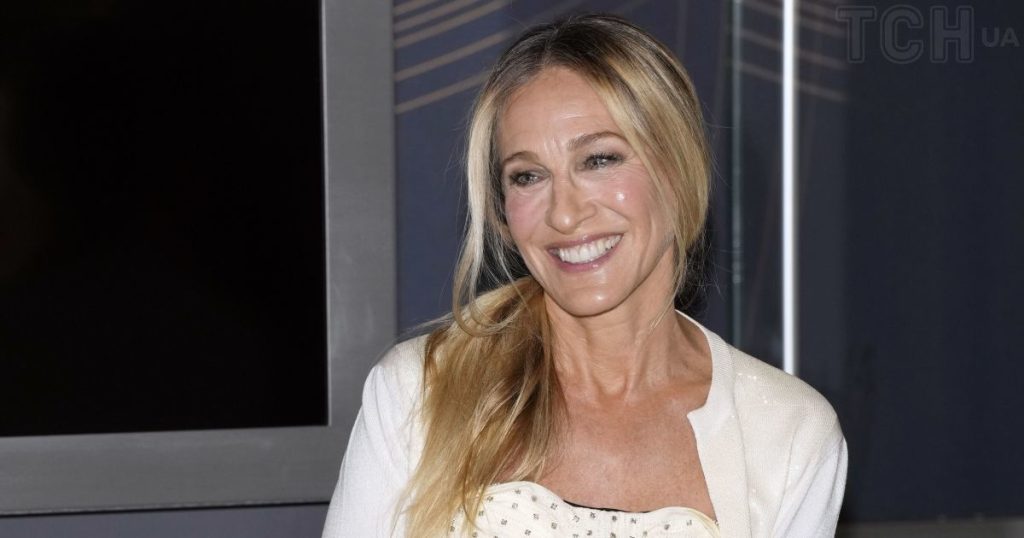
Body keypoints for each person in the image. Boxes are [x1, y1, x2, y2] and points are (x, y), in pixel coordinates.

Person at [322, 13, 847, 538]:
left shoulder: (788, 432)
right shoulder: (419, 392)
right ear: (502, 212)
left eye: (598, 159)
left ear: (677, 169)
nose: (565, 214)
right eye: (528, 176)